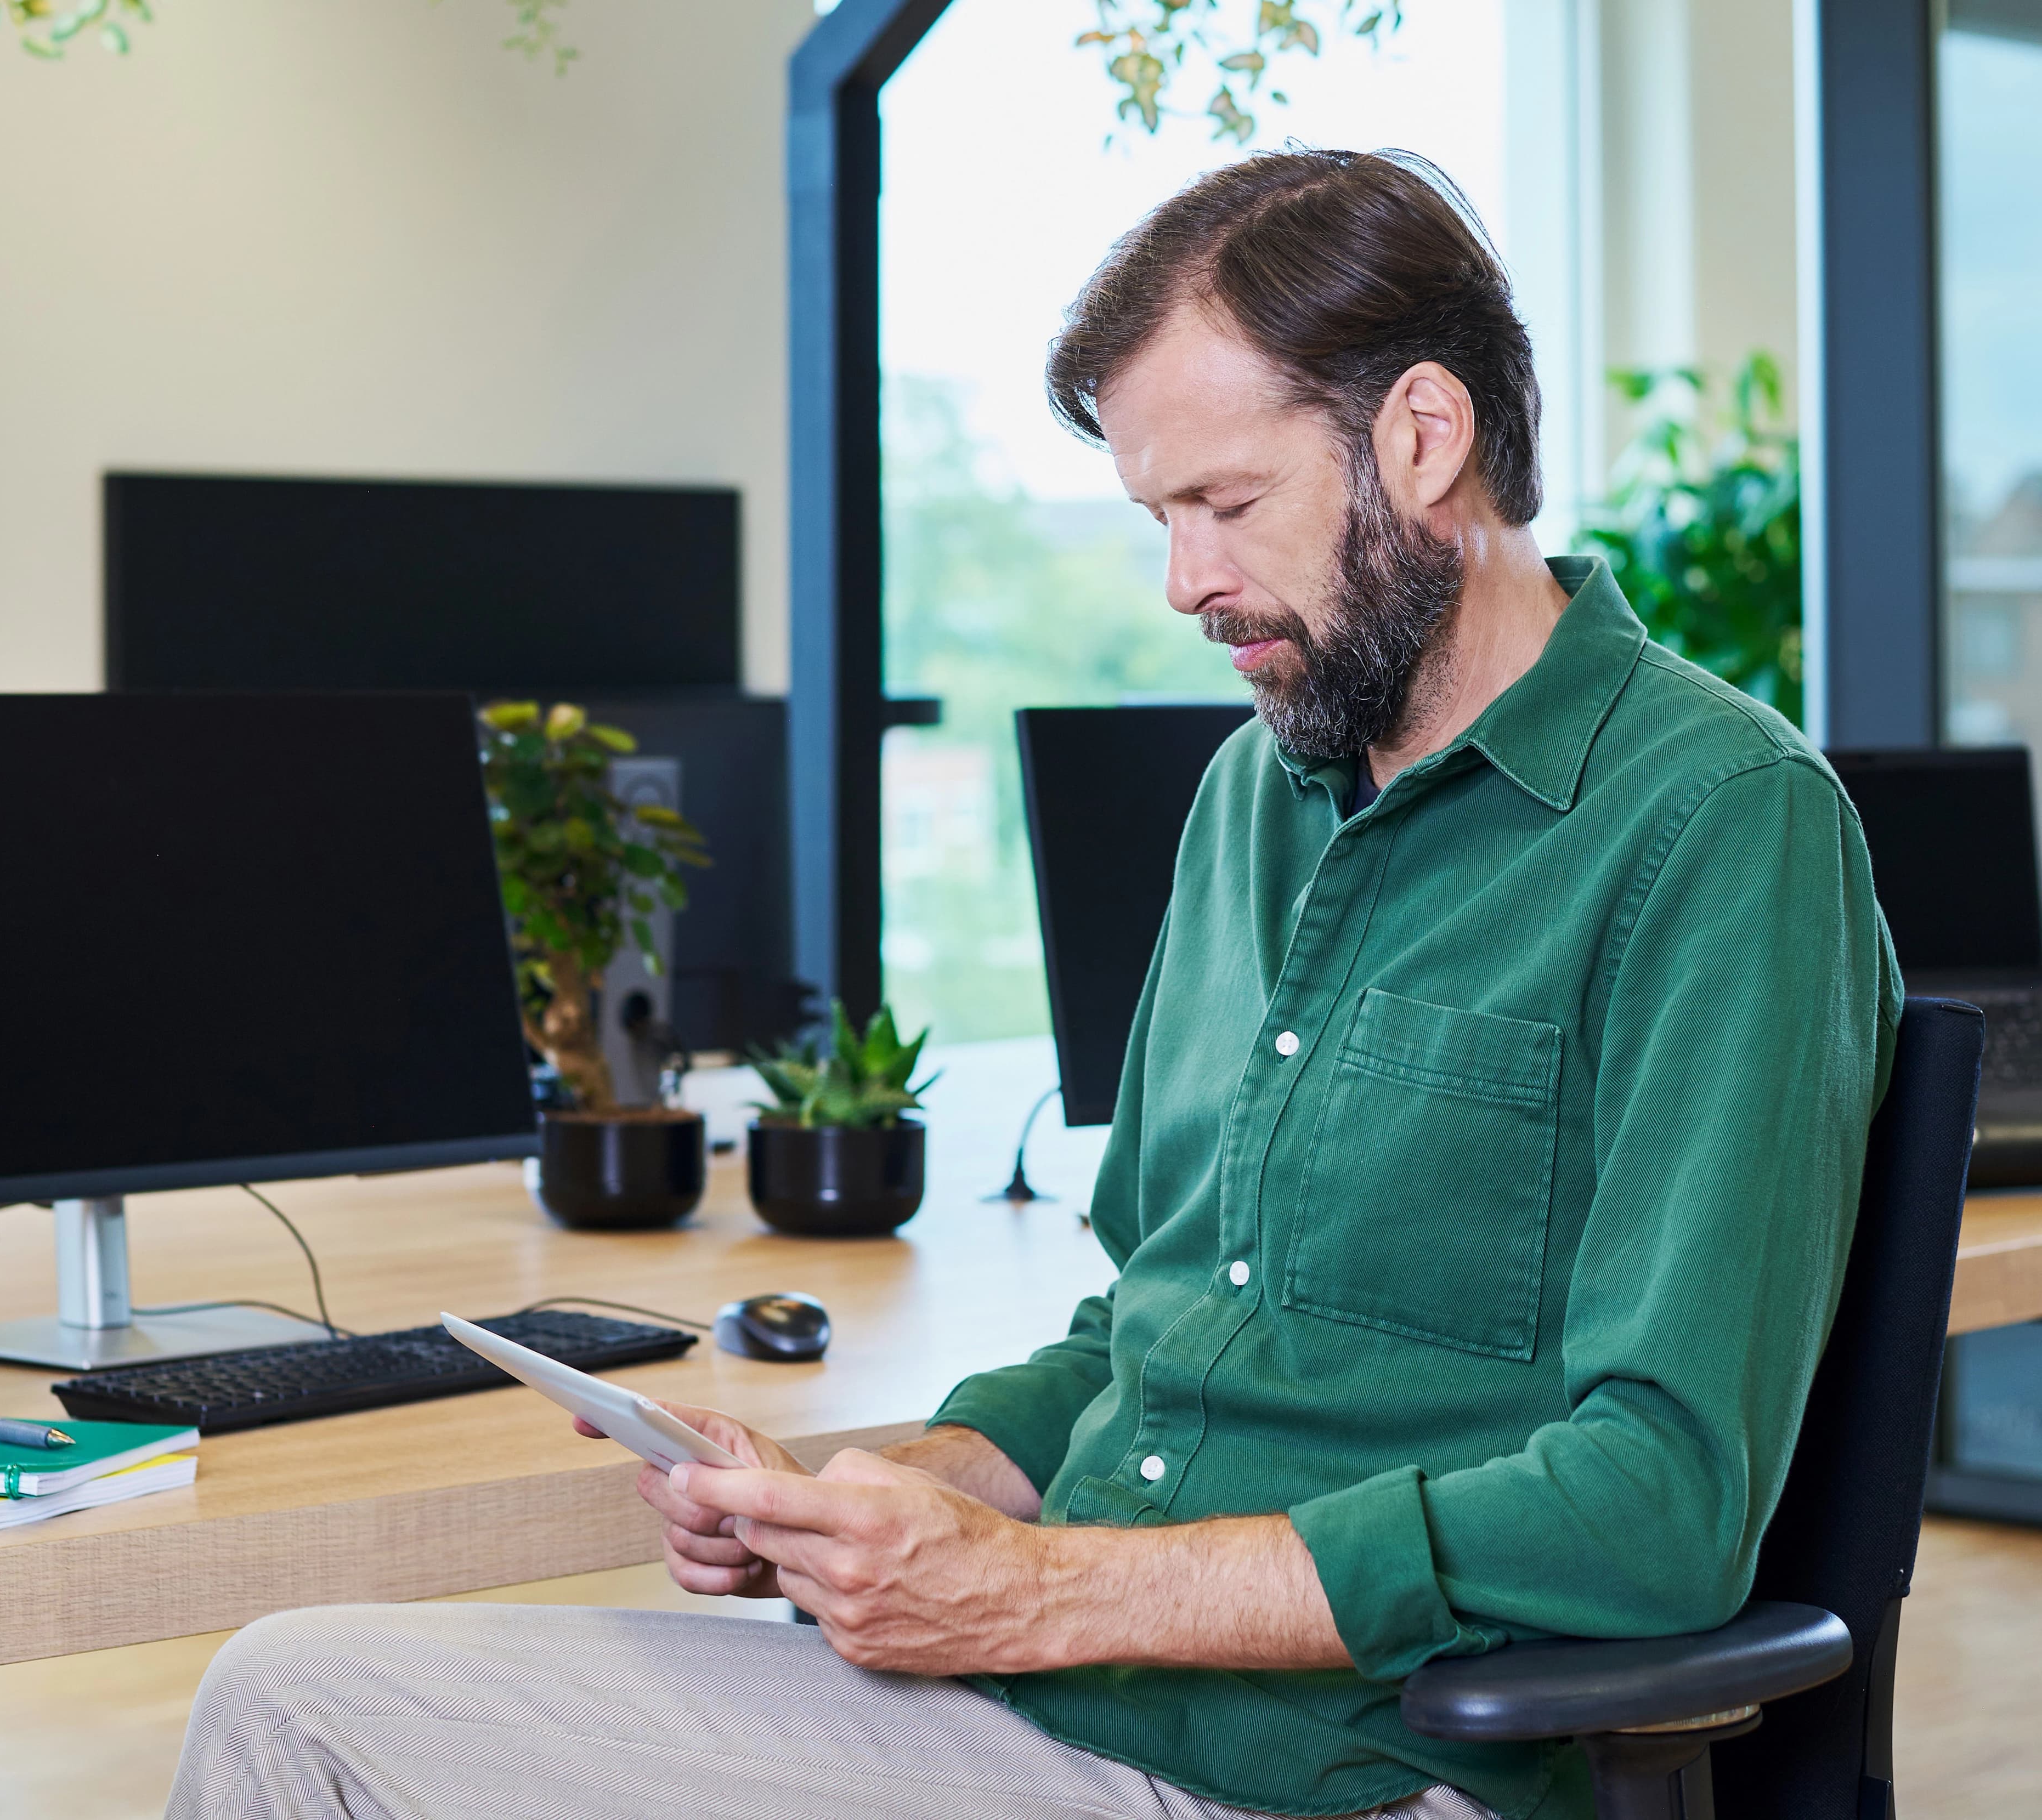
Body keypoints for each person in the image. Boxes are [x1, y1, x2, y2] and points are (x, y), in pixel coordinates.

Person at [167, 150, 1899, 1820]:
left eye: (1226, 504)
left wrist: (1043, 1594)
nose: (1185, 584)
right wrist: (897, 1494)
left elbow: (1657, 1505)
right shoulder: (1257, 801)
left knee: (295, 1715)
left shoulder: (1721, 828)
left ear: (1423, 436)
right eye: (1160, 518)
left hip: (1339, 1767)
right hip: (1060, 1707)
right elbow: (1149, 1331)